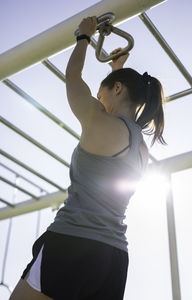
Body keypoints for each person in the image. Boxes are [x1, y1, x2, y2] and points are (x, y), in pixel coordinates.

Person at [9, 16, 166, 300]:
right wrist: (117, 70)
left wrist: (84, 37)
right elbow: (119, 109)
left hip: (73, 243)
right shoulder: (142, 148)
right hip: (113, 258)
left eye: (101, 94)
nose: (98, 101)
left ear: (117, 89)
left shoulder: (98, 121)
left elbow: (73, 78)